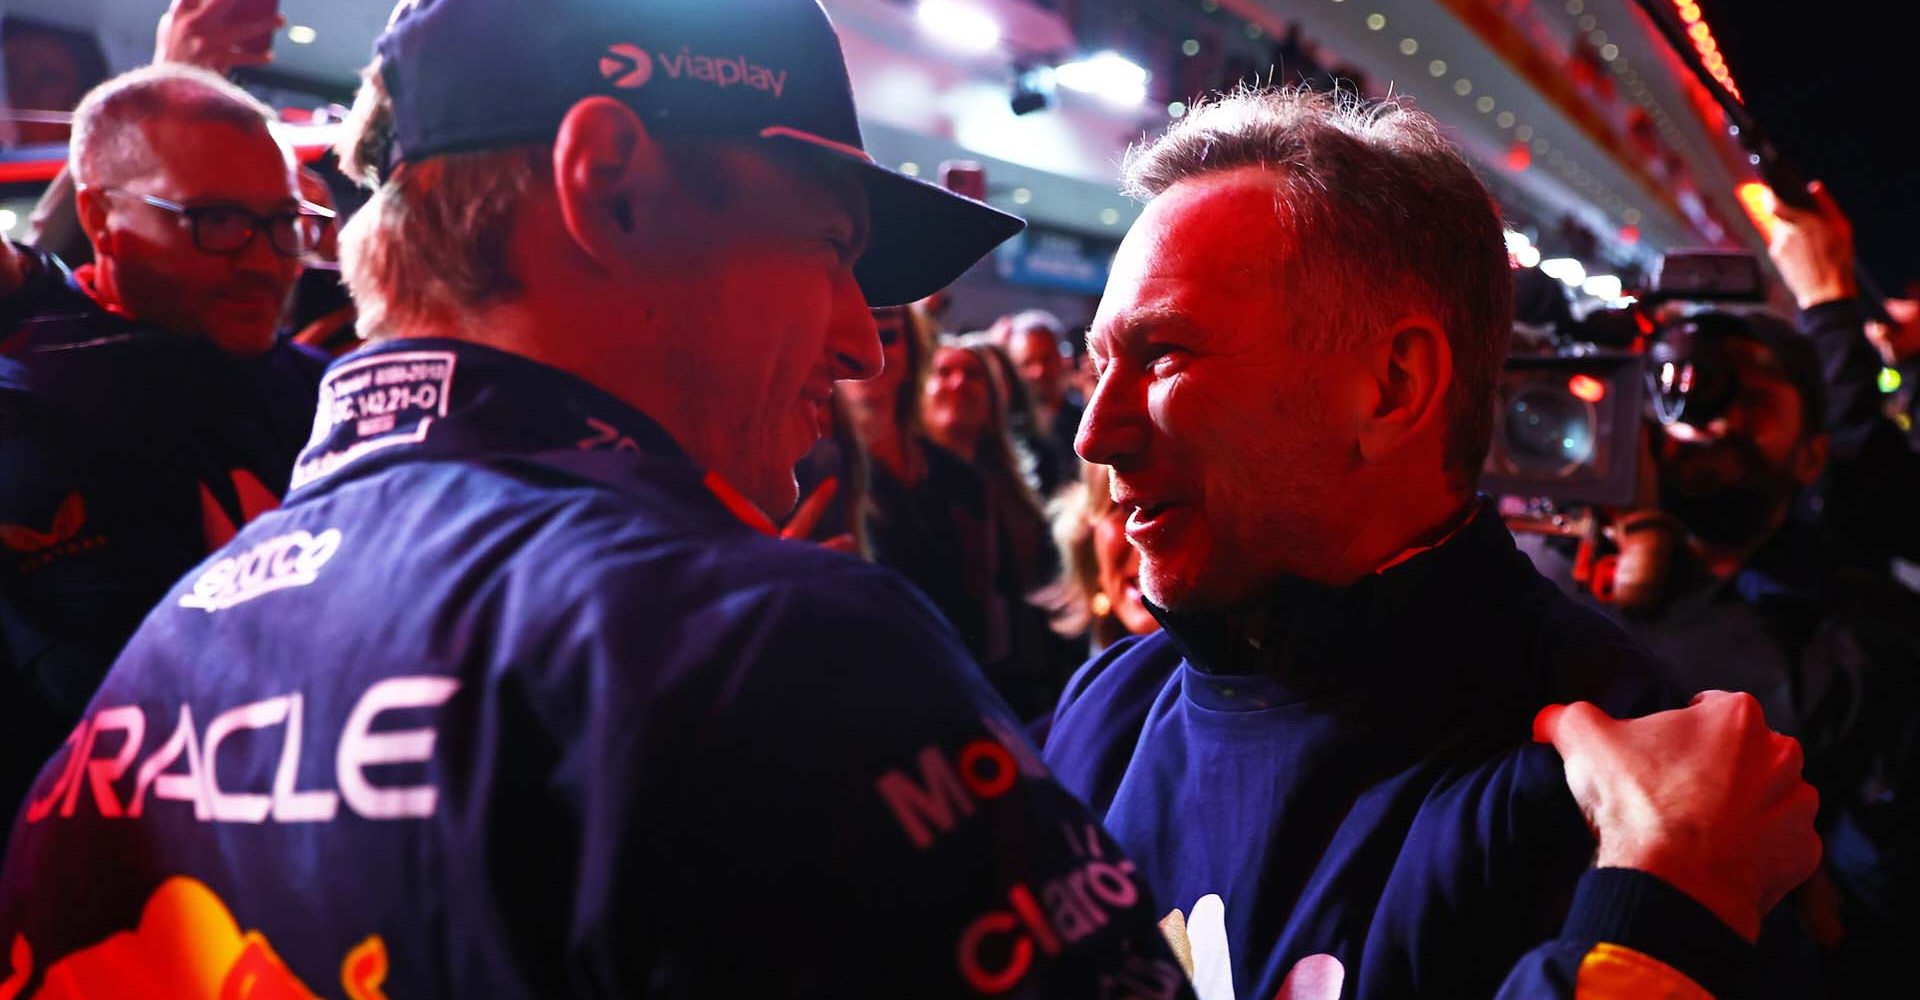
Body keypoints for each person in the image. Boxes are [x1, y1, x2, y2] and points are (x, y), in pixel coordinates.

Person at [0, 1, 1193, 994]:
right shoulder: (754, 643)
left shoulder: (161, 655)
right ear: (609, 186)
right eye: (828, 245)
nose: (860, 345)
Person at [1038, 86, 1811, 1000]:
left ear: (1394, 387)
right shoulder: (1108, 707)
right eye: (1099, 365)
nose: (1094, 433)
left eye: (1165, 355)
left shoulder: (1635, 788)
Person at [1520, 307, 1920, 994]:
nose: (1711, 419)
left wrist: (1655, 573)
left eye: (1753, 400)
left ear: (1812, 454)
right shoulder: (1551, 568)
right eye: (1683, 387)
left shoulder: (1872, 621)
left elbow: (1788, 721)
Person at [0, 62, 328, 830]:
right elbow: (125, 708)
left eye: (285, 220)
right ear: (101, 217)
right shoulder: (33, 415)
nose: (261, 257)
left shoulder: (325, 389)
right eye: (214, 220)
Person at [1000, 309, 1085, 497]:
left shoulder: (1086, 419)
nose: (1039, 371)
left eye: (1046, 359)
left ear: (1063, 359)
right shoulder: (1003, 428)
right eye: (1027, 363)